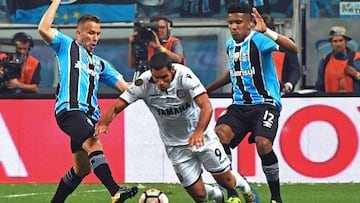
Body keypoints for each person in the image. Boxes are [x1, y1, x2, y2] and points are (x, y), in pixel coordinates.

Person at [95, 53, 257, 203]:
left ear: (172, 70)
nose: (160, 82)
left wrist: (199, 131)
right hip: (176, 147)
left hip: (203, 140)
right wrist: (104, 123)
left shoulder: (185, 76)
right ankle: (218, 195)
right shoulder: (143, 83)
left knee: (227, 181)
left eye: (164, 77)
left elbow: (206, 106)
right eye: (156, 78)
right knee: (199, 196)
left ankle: (246, 188)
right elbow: (117, 106)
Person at [37, 0, 138, 202]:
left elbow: (125, 88)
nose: (95, 38)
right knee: (93, 143)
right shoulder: (67, 46)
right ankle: (115, 191)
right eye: (91, 32)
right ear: (79, 33)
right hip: (70, 110)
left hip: (88, 117)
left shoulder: (100, 64)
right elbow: (43, 28)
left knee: (82, 168)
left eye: (98, 33)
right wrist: (57, 1)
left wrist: (146, 82)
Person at [206, 3, 299, 203]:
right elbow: (233, 73)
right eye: (230, 22)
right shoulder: (230, 45)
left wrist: (268, 32)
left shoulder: (259, 39)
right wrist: (206, 90)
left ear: (249, 24)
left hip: (265, 104)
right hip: (239, 106)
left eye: (238, 22)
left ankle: (276, 197)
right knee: (219, 135)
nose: (233, 27)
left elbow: (293, 48)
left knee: (263, 143)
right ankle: (231, 193)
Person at [128, 15, 185, 80]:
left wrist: (159, 47)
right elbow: (132, 65)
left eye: (162, 27)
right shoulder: (147, 43)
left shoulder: (174, 42)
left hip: (172, 80)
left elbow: (179, 59)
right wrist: (131, 44)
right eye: (156, 28)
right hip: (152, 80)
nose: (159, 30)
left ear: (168, 29)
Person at [262, 14, 301, 93]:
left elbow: (295, 70)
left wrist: (289, 84)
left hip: (282, 92)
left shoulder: (286, 44)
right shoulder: (250, 46)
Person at [315, 26, 360, 92]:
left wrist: (356, 74)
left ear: (346, 42)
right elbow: (320, 85)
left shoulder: (357, 58)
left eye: (341, 40)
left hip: (354, 101)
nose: (338, 44)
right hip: (330, 101)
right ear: (331, 44)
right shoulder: (325, 61)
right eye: (335, 41)